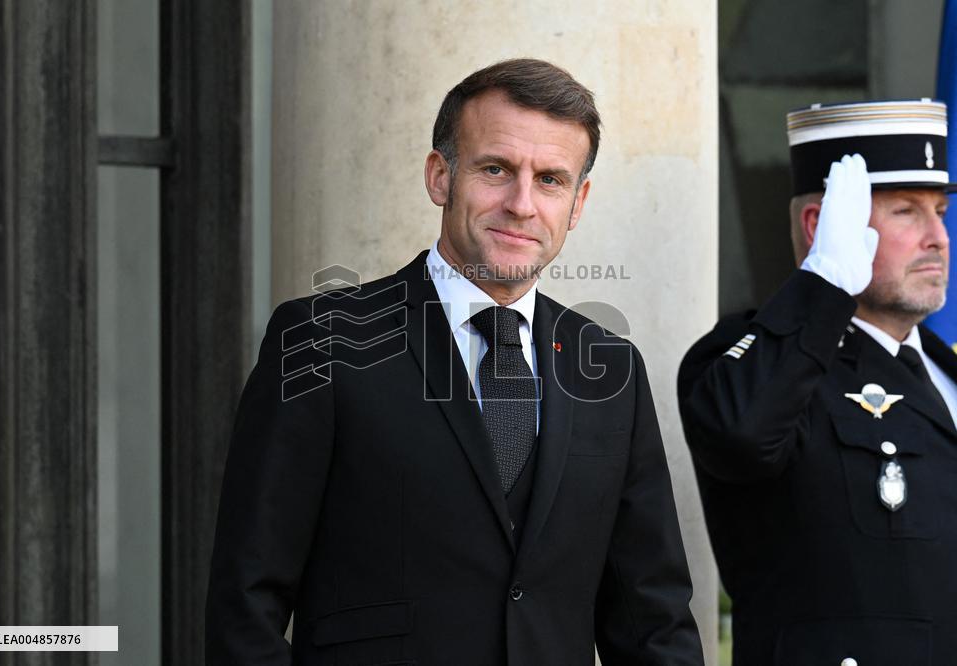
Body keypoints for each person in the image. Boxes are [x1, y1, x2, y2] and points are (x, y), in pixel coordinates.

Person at [206, 58, 703, 665]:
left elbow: (653, 618)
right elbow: (246, 603)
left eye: (550, 179)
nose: (522, 203)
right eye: (496, 169)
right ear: (441, 177)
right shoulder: (321, 340)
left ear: (577, 204)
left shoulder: (608, 367)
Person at [678, 99, 957, 665]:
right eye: (906, 211)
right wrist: (823, 284)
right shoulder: (751, 361)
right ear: (821, 225)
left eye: (940, 211)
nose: (938, 237)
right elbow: (740, 435)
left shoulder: (943, 368)